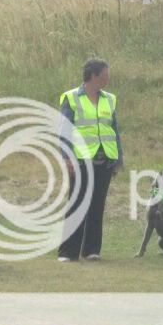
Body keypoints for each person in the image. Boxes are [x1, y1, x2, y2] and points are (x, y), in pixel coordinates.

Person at [57, 58, 123, 262]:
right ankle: (67, 252)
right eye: (105, 74)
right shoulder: (71, 98)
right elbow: (64, 130)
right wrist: (66, 157)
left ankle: (92, 249)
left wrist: (118, 157)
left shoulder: (109, 99)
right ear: (93, 76)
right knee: (77, 204)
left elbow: (114, 129)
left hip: (105, 158)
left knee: (97, 205)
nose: (108, 78)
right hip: (80, 159)